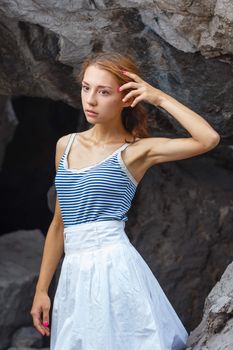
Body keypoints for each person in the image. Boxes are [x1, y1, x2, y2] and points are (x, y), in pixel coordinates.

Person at [30, 51, 220, 350]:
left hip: (114, 270)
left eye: (103, 92)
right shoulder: (65, 145)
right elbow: (59, 224)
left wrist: (158, 97)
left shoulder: (135, 152)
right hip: (73, 276)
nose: (90, 100)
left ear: (126, 98)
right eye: (86, 87)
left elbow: (208, 139)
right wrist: (42, 289)